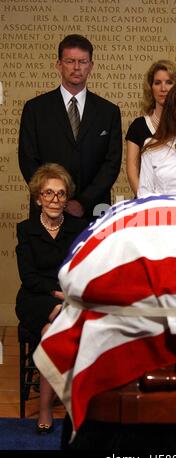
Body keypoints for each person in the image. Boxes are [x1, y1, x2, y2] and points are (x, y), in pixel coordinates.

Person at [15, 163, 88, 434]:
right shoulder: (26, 229)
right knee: (58, 325)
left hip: (68, 299)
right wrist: (58, 293)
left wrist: (68, 294)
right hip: (36, 299)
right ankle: (49, 409)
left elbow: (82, 268)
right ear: (38, 198)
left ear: (67, 198)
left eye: (60, 194)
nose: (55, 200)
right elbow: (29, 277)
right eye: (48, 193)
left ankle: (58, 406)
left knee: (51, 333)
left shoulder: (79, 228)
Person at [18, 34, 122, 221]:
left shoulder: (109, 111)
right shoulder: (35, 109)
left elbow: (111, 163)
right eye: (70, 61)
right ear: (59, 64)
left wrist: (83, 202)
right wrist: (54, 198)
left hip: (94, 210)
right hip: (48, 210)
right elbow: (28, 159)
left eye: (82, 62)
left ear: (91, 66)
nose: (76, 67)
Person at [125, 60, 176, 195]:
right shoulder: (138, 126)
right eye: (157, 83)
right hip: (146, 205)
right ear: (150, 87)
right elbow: (132, 171)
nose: (163, 88)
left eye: (169, 82)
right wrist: (145, 203)